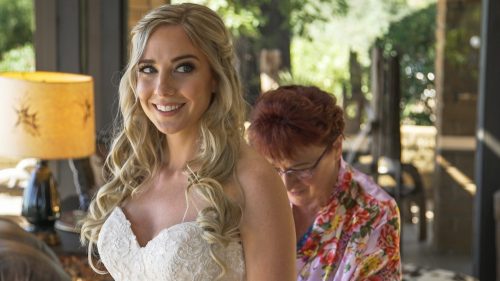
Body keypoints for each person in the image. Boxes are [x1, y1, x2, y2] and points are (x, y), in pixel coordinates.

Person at [80, 3, 296, 281]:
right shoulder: (134, 171)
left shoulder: (253, 180)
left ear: (215, 78)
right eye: (148, 69)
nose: (162, 89)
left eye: (183, 67)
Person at [247, 85, 402, 280]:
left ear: (337, 147)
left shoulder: (375, 211)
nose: (287, 184)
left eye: (302, 168)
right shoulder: (254, 191)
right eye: (275, 169)